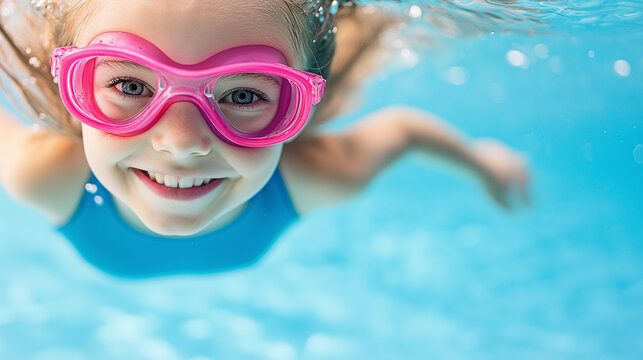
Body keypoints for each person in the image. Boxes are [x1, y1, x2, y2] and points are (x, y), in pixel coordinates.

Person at [0, 0, 529, 277]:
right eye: (131, 85)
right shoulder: (45, 175)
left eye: (243, 96)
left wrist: (484, 163)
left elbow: (405, 130)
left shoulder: (315, 177)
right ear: (70, 82)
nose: (182, 143)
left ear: (300, 101)